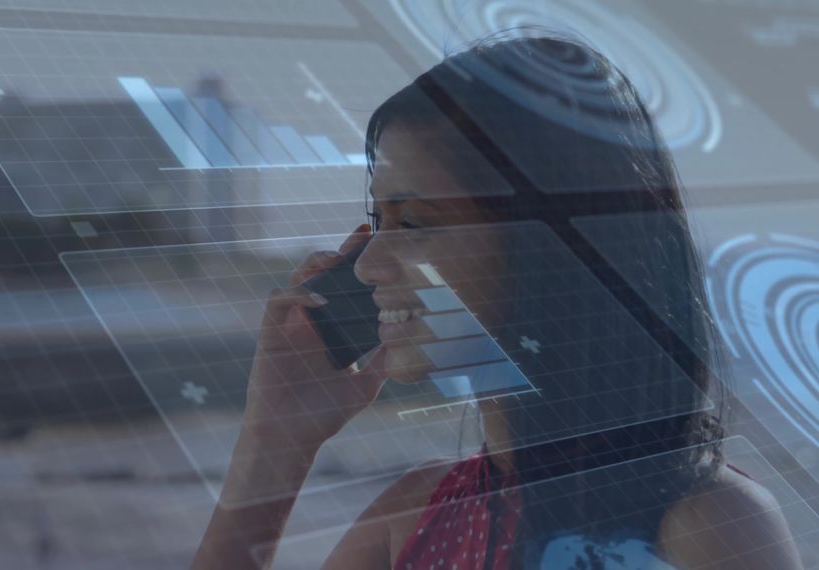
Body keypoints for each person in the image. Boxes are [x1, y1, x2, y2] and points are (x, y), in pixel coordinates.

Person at [192, 32, 801, 570]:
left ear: (556, 245)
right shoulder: (413, 514)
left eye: (415, 222)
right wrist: (276, 442)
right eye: (378, 221)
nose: (369, 264)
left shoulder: (706, 529)